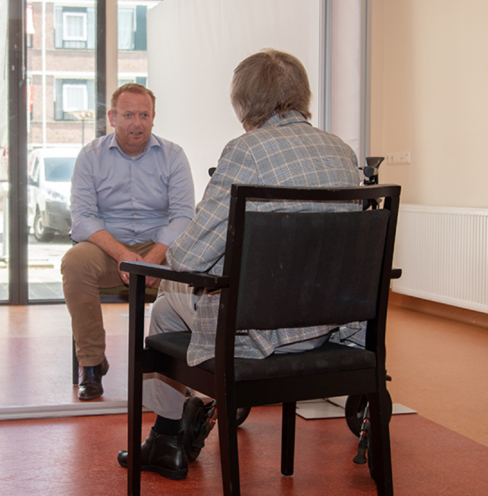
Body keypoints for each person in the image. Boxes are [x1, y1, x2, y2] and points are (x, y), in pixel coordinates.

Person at [117, 49, 362, 480]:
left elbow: (189, 256)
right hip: (329, 326)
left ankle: (166, 439)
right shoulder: (341, 152)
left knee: (165, 302)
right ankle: (169, 437)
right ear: (302, 94)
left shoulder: (245, 152)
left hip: (259, 335)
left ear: (244, 103)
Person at [62, 83, 195, 401]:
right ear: (112, 117)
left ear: (153, 118)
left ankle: (170, 369)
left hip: (158, 251)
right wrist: (125, 256)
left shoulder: (174, 156)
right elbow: (82, 218)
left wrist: (154, 257)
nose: (137, 122)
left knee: (195, 266)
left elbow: (183, 217)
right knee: (74, 262)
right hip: (108, 249)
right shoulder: (90, 156)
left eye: (144, 114)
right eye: (128, 114)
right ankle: (91, 364)